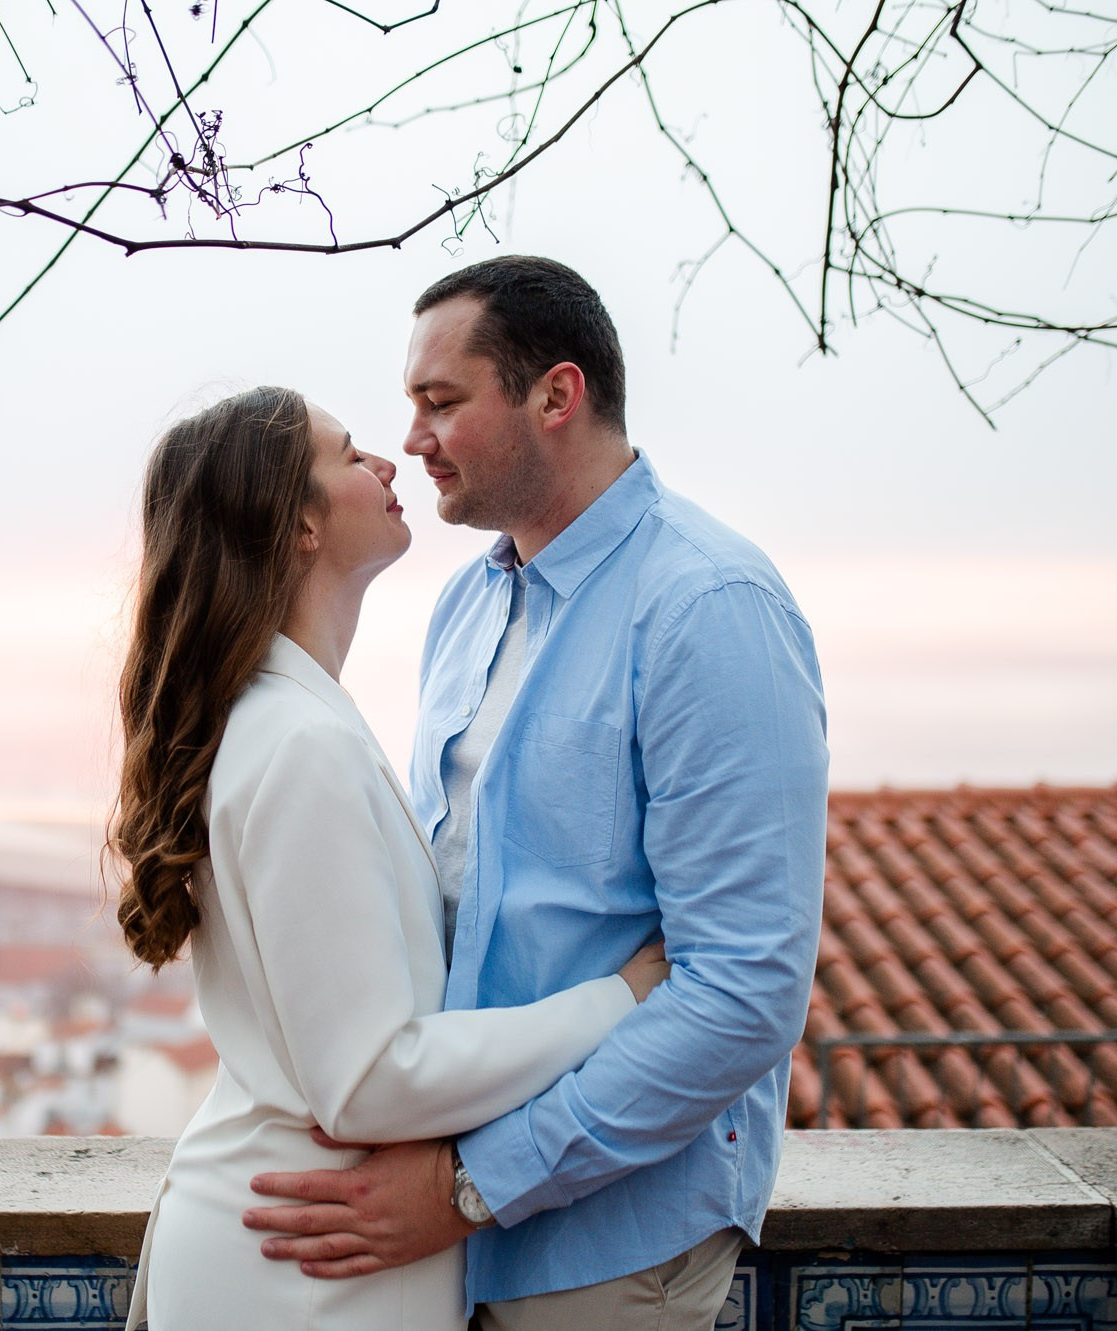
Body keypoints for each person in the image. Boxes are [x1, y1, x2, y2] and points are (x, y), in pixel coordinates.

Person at [241, 257, 830, 1330]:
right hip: (440, 1222)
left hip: (607, 1239)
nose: (409, 440)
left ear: (555, 396)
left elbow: (743, 992)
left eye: (440, 401)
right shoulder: (465, 607)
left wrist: (473, 1184)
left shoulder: (708, 606)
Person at [109, 384, 672, 1331]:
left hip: (304, 1245)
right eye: (350, 453)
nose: (387, 463)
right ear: (298, 525)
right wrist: (616, 1000)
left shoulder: (292, 720)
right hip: (304, 1267)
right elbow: (368, 1077)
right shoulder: (300, 744)